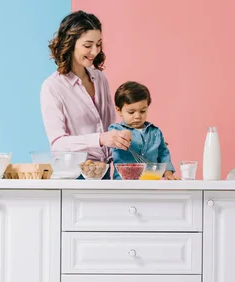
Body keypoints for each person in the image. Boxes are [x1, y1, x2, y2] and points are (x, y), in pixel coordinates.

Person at [40, 10, 132, 170]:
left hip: (103, 172)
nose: (95, 51)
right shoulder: (52, 87)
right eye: (88, 45)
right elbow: (57, 144)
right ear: (70, 44)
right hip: (74, 174)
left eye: (98, 44)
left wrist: (142, 141)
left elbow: (110, 128)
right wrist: (100, 139)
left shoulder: (100, 79)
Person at [109, 81, 178, 180]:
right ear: (119, 110)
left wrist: (168, 174)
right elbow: (113, 139)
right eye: (131, 112)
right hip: (124, 184)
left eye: (142, 111)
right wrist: (124, 135)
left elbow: (164, 156)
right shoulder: (115, 130)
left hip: (151, 183)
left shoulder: (155, 132)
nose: (137, 116)